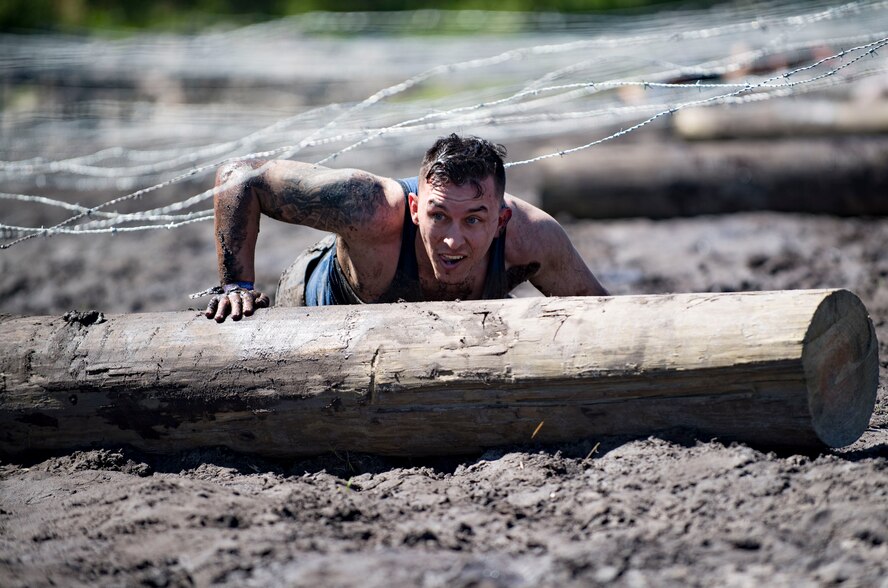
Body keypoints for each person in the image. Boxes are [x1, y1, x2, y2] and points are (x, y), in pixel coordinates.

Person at [203, 133, 608, 322]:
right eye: (438, 216)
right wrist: (236, 286)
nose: (452, 239)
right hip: (313, 303)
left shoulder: (535, 239)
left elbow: (603, 314)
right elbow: (240, 176)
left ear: (500, 221)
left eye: (473, 220)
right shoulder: (371, 208)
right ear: (415, 209)